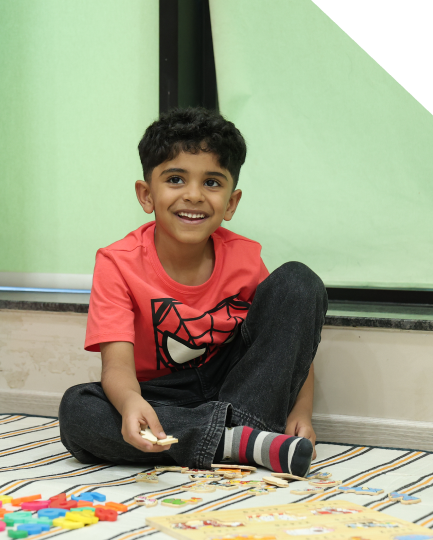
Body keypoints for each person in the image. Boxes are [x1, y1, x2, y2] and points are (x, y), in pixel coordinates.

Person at [58, 108, 328, 475]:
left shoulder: (246, 258)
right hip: (162, 396)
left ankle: (236, 431)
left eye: (213, 183)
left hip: (238, 389)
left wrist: (301, 411)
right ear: (146, 194)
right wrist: (131, 402)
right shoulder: (117, 262)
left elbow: (291, 342)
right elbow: (117, 366)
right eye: (175, 179)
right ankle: (237, 442)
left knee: (299, 280)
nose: (194, 195)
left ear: (231, 202)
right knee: (78, 409)